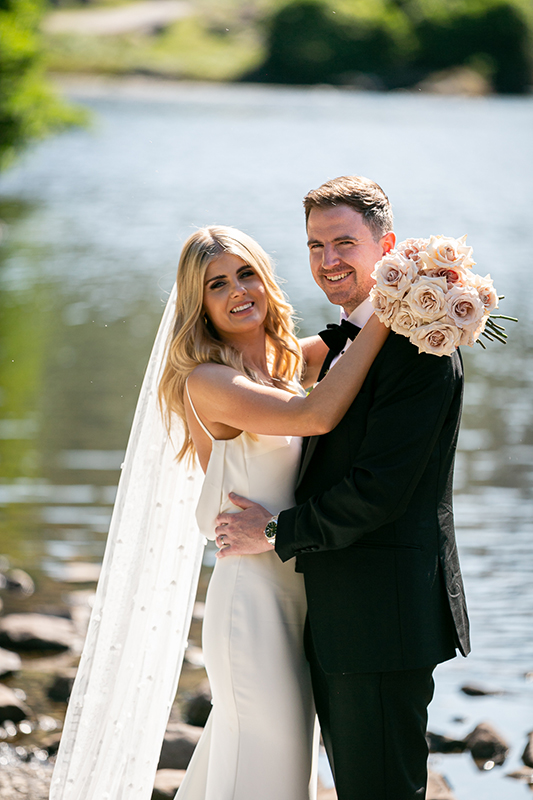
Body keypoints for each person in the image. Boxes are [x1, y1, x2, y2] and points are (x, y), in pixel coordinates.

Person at [215, 177, 471, 800]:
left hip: (381, 621)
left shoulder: (421, 347)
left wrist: (272, 532)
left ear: (388, 246)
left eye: (344, 243)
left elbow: (376, 492)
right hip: (338, 616)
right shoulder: (346, 341)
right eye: (314, 245)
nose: (329, 260)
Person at [154, 224, 390, 800]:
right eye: (217, 284)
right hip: (252, 605)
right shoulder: (209, 381)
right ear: (198, 304)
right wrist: (392, 305)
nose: (238, 291)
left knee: (251, 771)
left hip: (302, 596)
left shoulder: (285, 363)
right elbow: (317, 414)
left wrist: (418, 286)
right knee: (273, 774)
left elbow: (344, 342)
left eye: (246, 273)